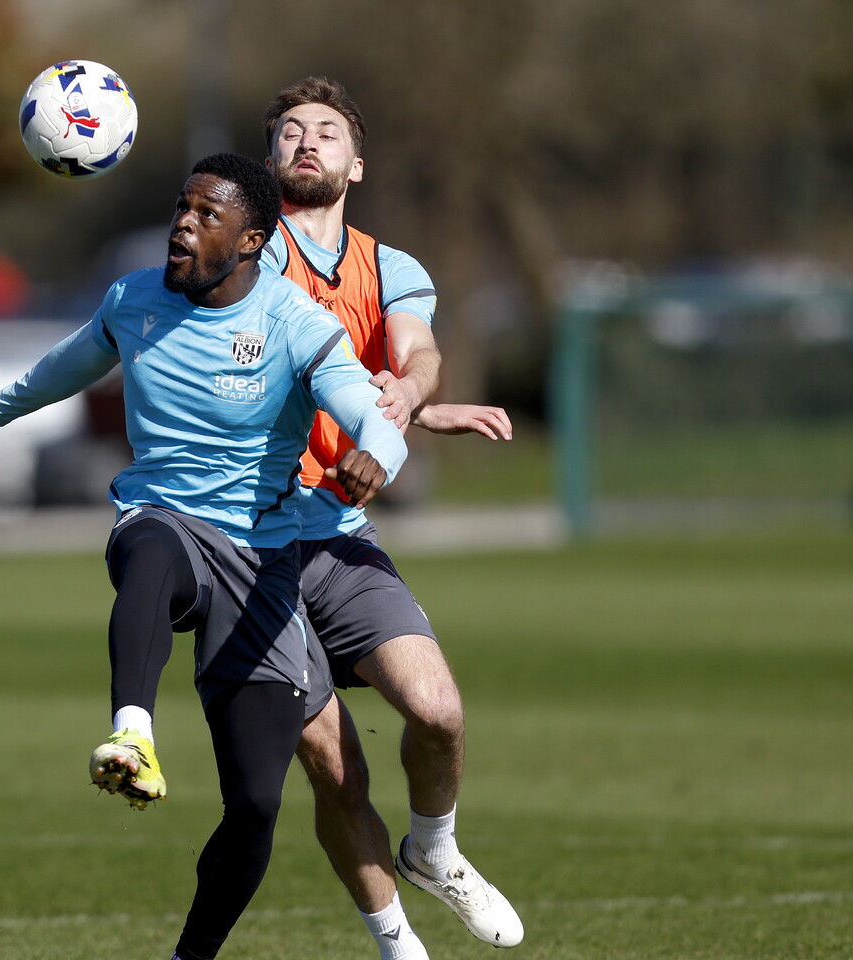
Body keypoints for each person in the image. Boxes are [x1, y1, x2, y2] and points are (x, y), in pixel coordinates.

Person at [0, 152, 409, 960]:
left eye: (206, 214)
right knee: (150, 547)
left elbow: (367, 412)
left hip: (262, 561)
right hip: (163, 519)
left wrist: (377, 456)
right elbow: (71, 365)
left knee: (257, 805)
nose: (183, 225)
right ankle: (131, 732)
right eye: (181, 208)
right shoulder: (135, 300)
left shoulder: (295, 322)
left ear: (253, 239)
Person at [261, 77, 522, 957]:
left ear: (356, 162)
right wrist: (402, 408)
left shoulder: (392, 268)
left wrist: (412, 394)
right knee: (337, 767)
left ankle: (435, 849)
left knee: (438, 712)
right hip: (248, 550)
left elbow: (417, 352)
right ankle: (395, 944)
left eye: (326, 133)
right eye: (291, 132)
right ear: (269, 161)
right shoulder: (249, 262)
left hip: (337, 533)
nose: (307, 142)